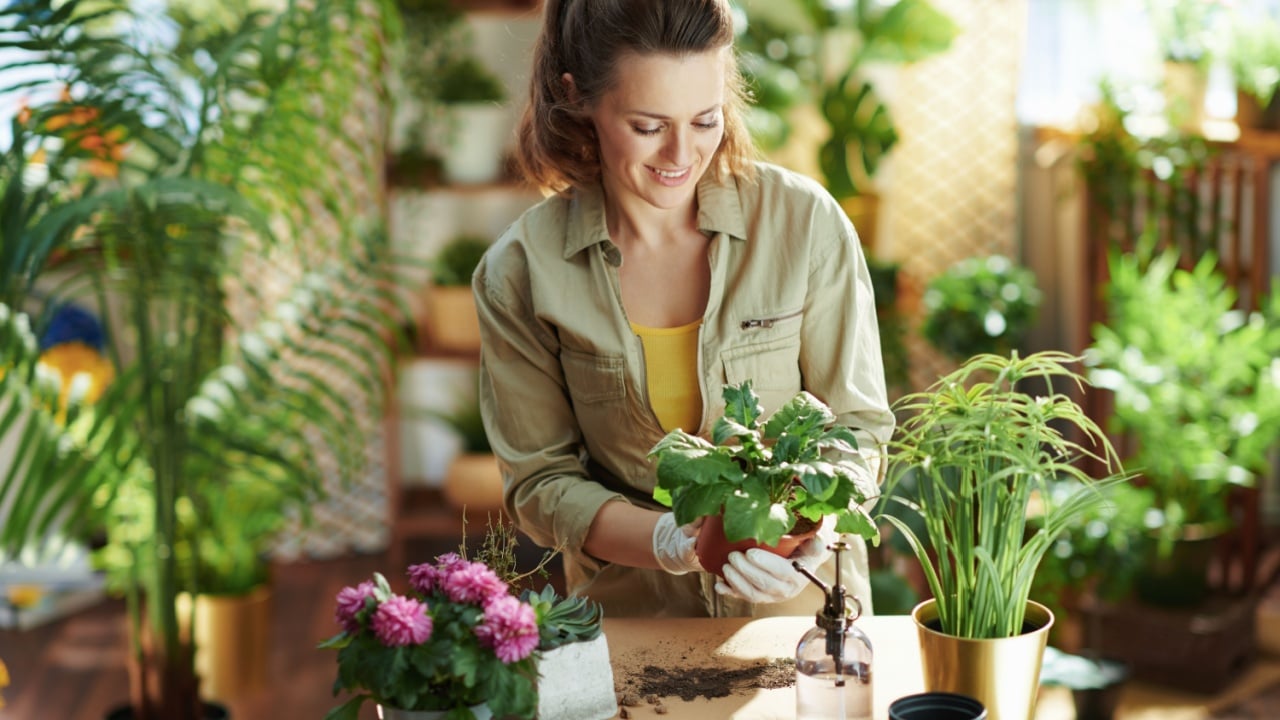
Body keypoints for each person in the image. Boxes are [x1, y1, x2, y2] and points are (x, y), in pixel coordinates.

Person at [473, 0, 894, 618]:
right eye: (648, 126)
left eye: (705, 119)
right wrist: (671, 542)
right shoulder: (522, 272)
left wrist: (818, 527)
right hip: (637, 624)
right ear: (578, 96)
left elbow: (858, 426)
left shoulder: (805, 225)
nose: (680, 156)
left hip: (806, 619)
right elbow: (541, 485)